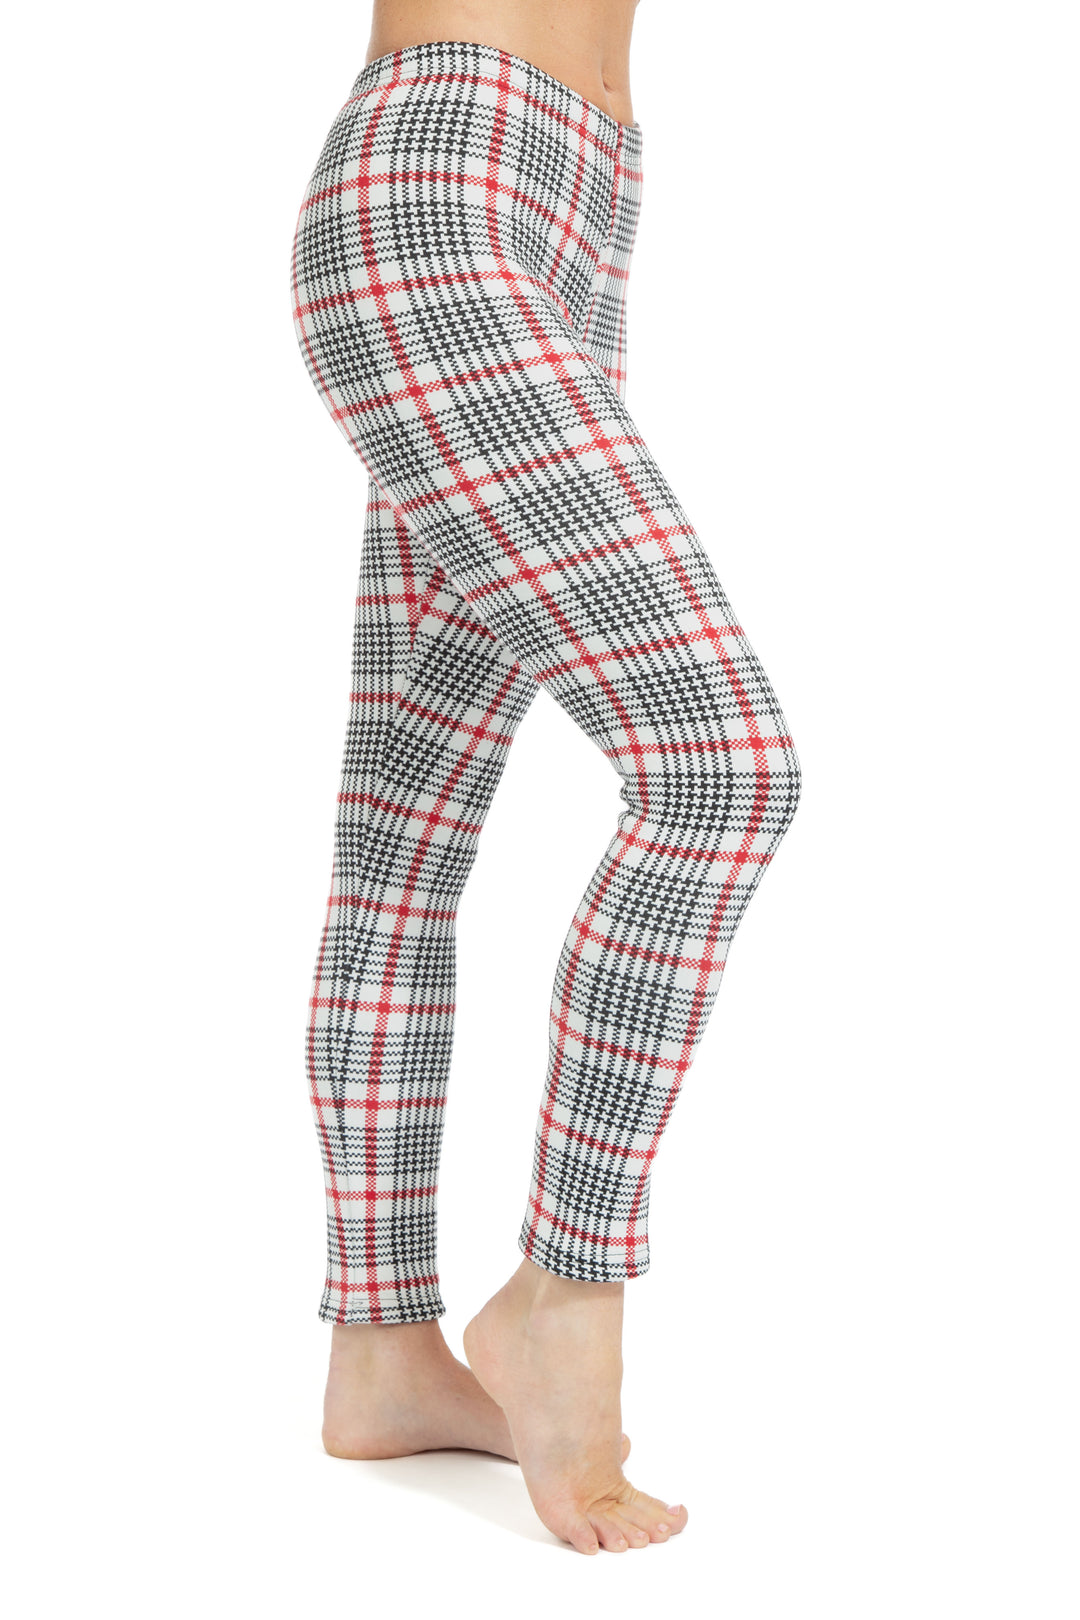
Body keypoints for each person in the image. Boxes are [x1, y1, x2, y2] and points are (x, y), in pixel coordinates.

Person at [290, 0, 802, 1555]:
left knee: (403, 844)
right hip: (439, 179)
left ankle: (383, 1352)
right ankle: (566, 1297)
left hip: (585, 199)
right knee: (721, 769)